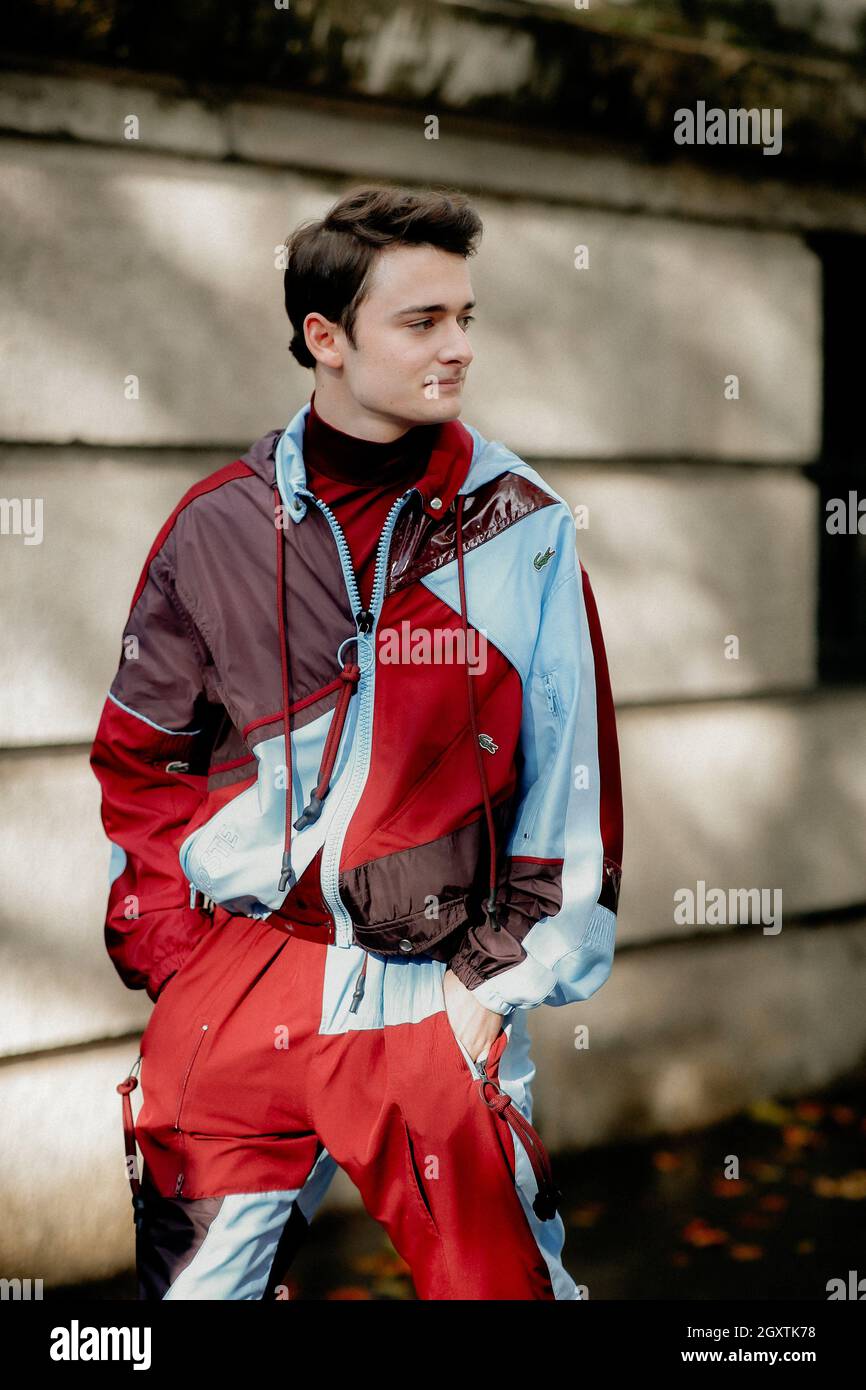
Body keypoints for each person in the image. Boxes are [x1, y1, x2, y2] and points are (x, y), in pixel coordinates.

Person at [92, 184, 624, 1300]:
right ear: (324, 339)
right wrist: (173, 959)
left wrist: (492, 984)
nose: (458, 348)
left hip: (436, 989)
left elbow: (570, 780)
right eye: (422, 322)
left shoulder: (518, 526)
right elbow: (144, 754)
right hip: (236, 985)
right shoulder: (217, 524)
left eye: (465, 317)